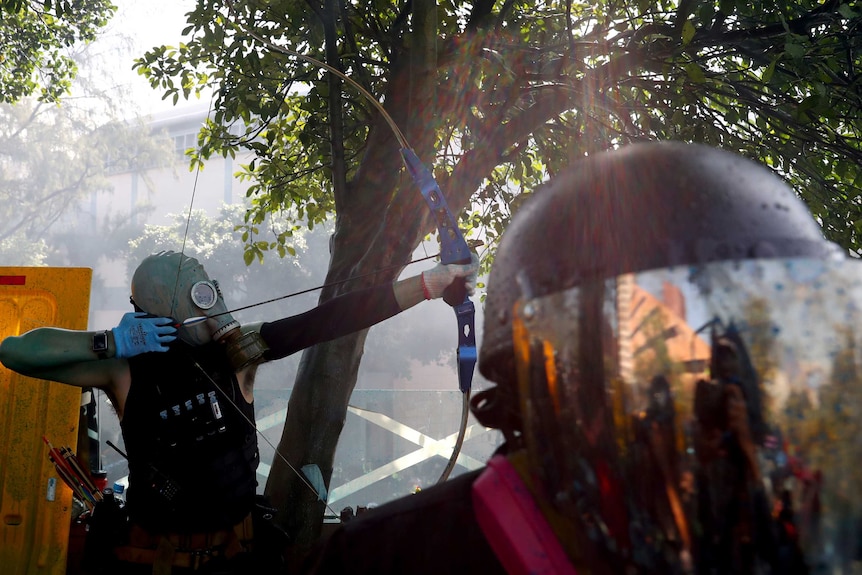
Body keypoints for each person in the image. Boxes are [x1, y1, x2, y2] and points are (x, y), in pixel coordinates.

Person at [302, 141, 862, 574]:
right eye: (656, 364)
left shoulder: (774, 526)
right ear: (546, 384)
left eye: (724, 373)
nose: (708, 405)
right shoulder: (396, 561)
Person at [0, 249, 477, 574]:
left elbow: (330, 319)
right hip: (154, 562)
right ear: (154, 314)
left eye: (208, 293)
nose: (211, 308)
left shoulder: (240, 355)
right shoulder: (125, 370)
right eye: (196, 299)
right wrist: (108, 341)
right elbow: (16, 352)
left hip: (239, 560)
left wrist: (429, 283)